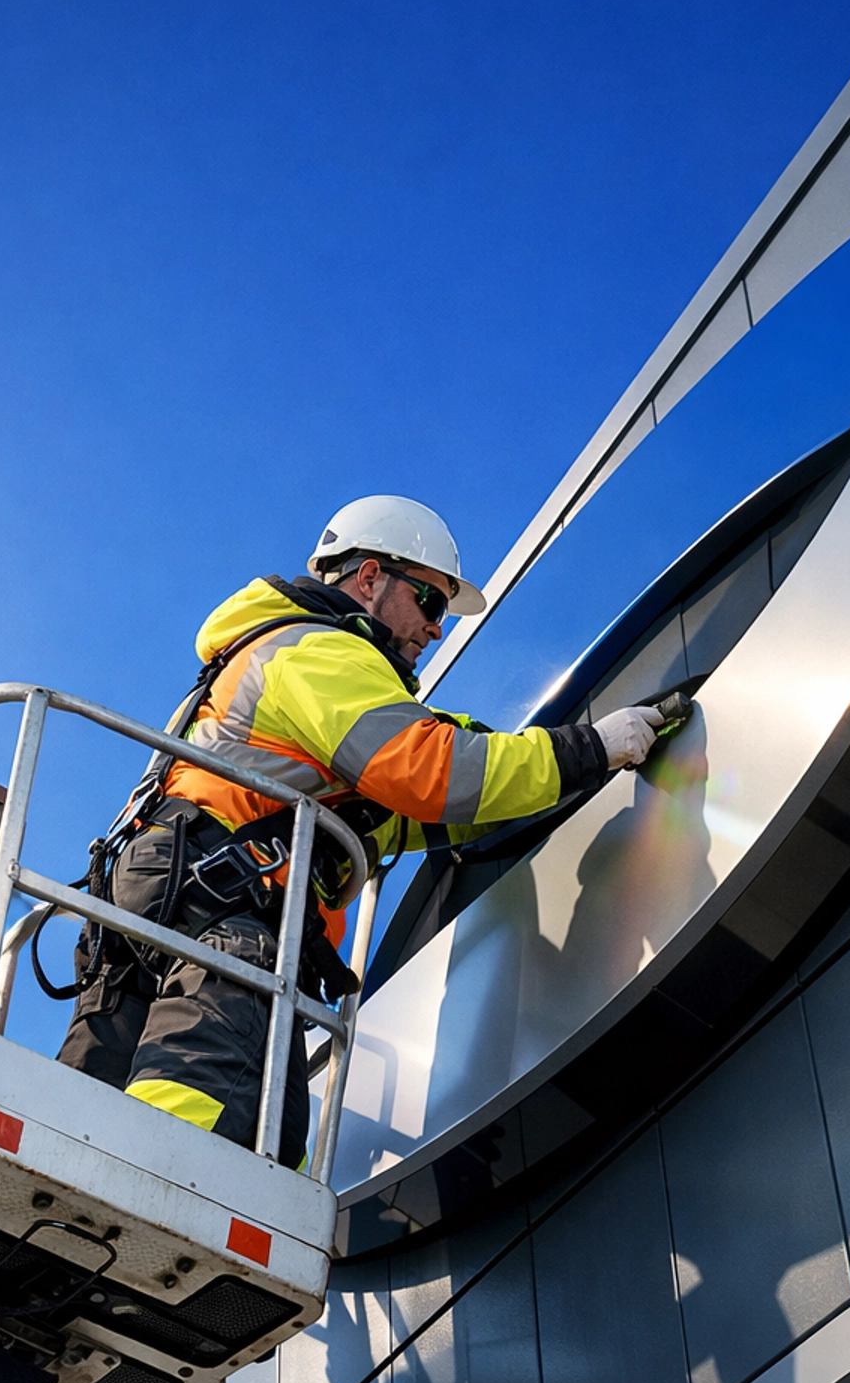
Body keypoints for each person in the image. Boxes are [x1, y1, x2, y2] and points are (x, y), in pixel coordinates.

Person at [56, 495, 662, 1166]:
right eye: (431, 603)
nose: (435, 631)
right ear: (371, 578)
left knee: (117, 1095)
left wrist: (537, 784)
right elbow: (431, 769)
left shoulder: (280, 661)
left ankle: (62, 1193)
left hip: (175, 888)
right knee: (223, 1101)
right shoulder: (322, 651)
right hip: (225, 901)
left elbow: (416, 810)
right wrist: (590, 749)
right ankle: (156, 1185)